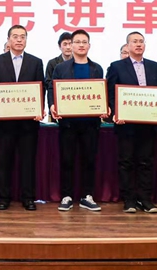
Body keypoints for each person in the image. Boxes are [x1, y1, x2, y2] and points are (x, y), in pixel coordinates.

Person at [106, 31, 157, 214]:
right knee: (126, 162)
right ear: (128, 45)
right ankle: (129, 199)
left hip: (149, 124)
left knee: (146, 162)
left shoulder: (155, 67)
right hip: (126, 124)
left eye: (141, 41)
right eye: (134, 41)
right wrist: (115, 112)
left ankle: (145, 199)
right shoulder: (116, 66)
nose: (138, 44)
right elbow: (110, 93)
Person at [48, 29, 108, 213]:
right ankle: (66, 196)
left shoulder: (97, 68)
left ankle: (87, 196)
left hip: (90, 123)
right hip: (68, 123)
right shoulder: (61, 68)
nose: (81, 45)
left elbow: (101, 91)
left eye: (84, 42)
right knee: (67, 160)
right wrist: (52, 105)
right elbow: (52, 89)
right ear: (71, 45)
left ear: (89, 46)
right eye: (77, 42)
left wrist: (105, 106)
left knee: (89, 160)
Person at [0, 25, 45, 211]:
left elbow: (41, 89)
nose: (19, 40)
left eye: (23, 37)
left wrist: (39, 109)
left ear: (26, 40)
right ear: (8, 39)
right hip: (5, 123)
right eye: (15, 36)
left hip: (29, 123)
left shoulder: (36, 62)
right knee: (4, 161)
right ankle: (3, 197)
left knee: (28, 161)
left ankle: (28, 198)